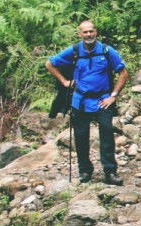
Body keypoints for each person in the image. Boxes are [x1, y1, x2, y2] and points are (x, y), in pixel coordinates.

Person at [45, 20, 129, 186]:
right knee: (81, 137)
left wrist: (113, 95)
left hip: (102, 100)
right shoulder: (74, 51)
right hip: (80, 100)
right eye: (85, 32)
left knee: (106, 136)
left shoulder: (106, 51)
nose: (89, 34)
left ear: (95, 32)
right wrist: (64, 81)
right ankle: (85, 171)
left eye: (91, 31)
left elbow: (123, 74)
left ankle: (110, 172)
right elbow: (49, 64)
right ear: (80, 34)